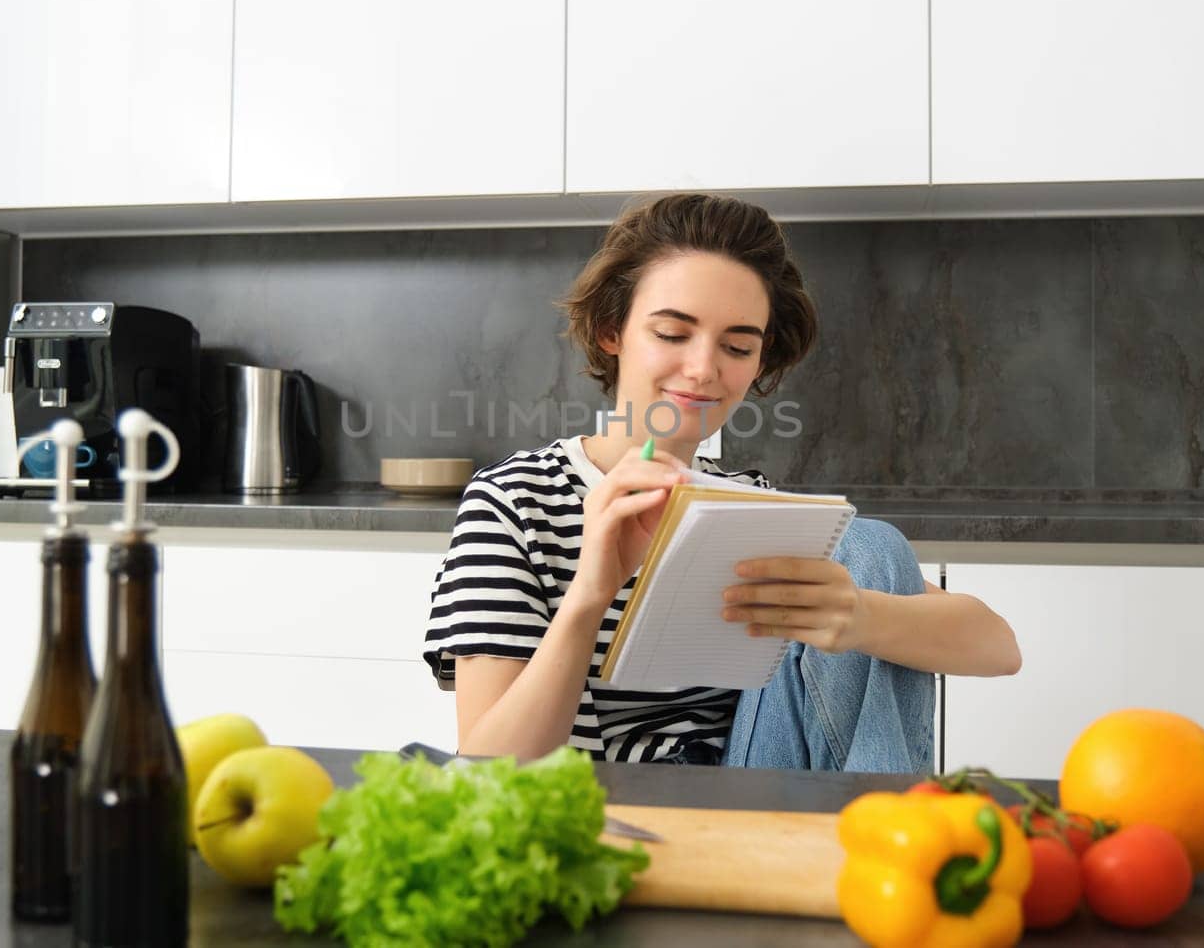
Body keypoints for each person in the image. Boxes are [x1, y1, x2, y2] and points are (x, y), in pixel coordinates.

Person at [422, 193, 1020, 770]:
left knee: (869, 546)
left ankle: (871, 846)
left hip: (748, 797)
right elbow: (485, 769)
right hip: (603, 806)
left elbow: (999, 648)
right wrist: (589, 594)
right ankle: (882, 850)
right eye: (673, 333)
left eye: (737, 345)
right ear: (613, 331)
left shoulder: (747, 506)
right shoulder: (516, 500)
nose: (705, 369)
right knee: (866, 545)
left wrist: (858, 617)